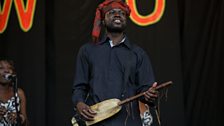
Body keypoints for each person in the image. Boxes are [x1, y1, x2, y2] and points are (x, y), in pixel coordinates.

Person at [72, 0, 159, 125]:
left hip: (128, 122)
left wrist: (150, 95)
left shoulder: (138, 54)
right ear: (103, 20)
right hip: (96, 121)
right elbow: (79, 87)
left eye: (122, 13)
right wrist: (79, 104)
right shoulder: (87, 51)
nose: (117, 15)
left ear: (126, 20)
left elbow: (145, 90)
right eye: (112, 12)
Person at [0, 59, 28, 126]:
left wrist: (20, 118)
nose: (6, 71)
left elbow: (26, 123)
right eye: (1, 68)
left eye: (10, 68)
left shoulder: (19, 93)